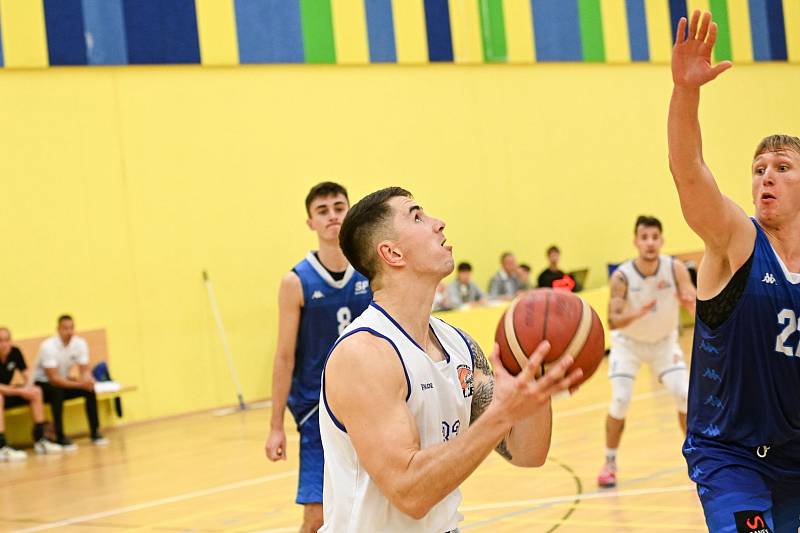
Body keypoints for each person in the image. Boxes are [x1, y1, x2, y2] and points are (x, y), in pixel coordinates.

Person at [320, 187, 582, 531]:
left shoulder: (458, 345)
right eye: (417, 216)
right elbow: (409, 492)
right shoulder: (364, 355)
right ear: (392, 253)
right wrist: (502, 414)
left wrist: (535, 380)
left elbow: (527, 453)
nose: (438, 223)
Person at [669, 10, 800, 531]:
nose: (766, 176)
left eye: (783, 168)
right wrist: (686, 93)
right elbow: (689, 173)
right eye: (759, 169)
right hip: (731, 455)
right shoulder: (736, 239)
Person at [264, 182, 372, 533]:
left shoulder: (369, 272)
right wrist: (276, 426)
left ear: (350, 211)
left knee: (379, 505)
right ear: (310, 222)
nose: (332, 216)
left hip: (370, 401)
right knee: (317, 517)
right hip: (317, 409)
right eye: (322, 211)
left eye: (339, 207)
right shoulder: (296, 281)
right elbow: (283, 358)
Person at [597, 216, 696, 488]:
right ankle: (609, 462)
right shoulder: (622, 276)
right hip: (628, 345)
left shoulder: (675, 268)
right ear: (636, 242)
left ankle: (696, 458)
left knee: (685, 395)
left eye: (655, 237)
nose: (650, 243)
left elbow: (694, 301)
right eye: (645, 237)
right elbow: (613, 321)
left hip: (664, 343)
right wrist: (636, 313)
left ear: (662, 241)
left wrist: (691, 304)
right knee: (620, 400)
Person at [34, 315, 106, 450]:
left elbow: (84, 370)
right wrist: (79, 384)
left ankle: (95, 432)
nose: (69, 331)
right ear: (58, 329)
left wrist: (87, 380)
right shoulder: (48, 346)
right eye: (65, 328)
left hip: (63, 380)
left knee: (89, 389)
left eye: (71, 327)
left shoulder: (80, 343)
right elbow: (54, 379)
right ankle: (60, 436)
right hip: (43, 383)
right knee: (57, 392)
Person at [0, 327, 62, 460]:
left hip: (9, 392)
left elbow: (27, 374)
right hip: (2, 393)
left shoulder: (15, 352)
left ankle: (40, 440)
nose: (4, 344)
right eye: (0, 341)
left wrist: (28, 387)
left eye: (7, 340)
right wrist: (19, 390)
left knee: (36, 391)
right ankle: (1, 447)